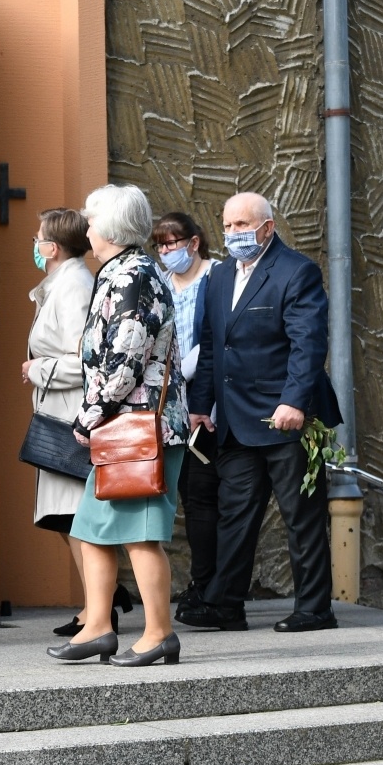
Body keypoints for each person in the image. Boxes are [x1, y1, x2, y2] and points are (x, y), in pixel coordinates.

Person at [178, 192, 344, 633]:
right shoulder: (217, 276)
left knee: (301, 515)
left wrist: (294, 400)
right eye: (227, 225)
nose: (232, 233)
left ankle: (315, 609)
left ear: (267, 227)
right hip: (234, 420)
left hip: (285, 417)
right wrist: (200, 406)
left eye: (242, 224)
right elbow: (211, 346)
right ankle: (225, 605)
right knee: (235, 513)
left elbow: (308, 343)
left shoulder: (297, 271)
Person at [46, 185, 189, 667]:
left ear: (110, 228)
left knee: (139, 535)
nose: (86, 229)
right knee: (91, 530)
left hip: (140, 429)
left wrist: (89, 416)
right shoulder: (119, 272)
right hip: (122, 427)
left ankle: (159, 634)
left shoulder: (133, 276)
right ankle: (98, 628)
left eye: (91, 221)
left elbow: (125, 360)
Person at [21, 208, 120, 637]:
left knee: (74, 517)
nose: (35, 243)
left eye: (38, 237)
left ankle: (100, 607)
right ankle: (98, 603)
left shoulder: (75, 285)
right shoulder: (61, 282)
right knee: (66, 518)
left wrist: (37, 369)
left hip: (69, 418)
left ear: (53, 247)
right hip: (58, 412)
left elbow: (86, 360)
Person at [153, 210, 222, 620]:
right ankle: (202, 583)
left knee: (203, 496)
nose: (165, 252)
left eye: (172, 243)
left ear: (194, 243)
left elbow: (214, 340)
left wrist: (182, 371)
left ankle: (209, 585)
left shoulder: (217, 277)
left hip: (206, 404)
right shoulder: (160, 283)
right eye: (160, 246)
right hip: (171, 407)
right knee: (188, 497)